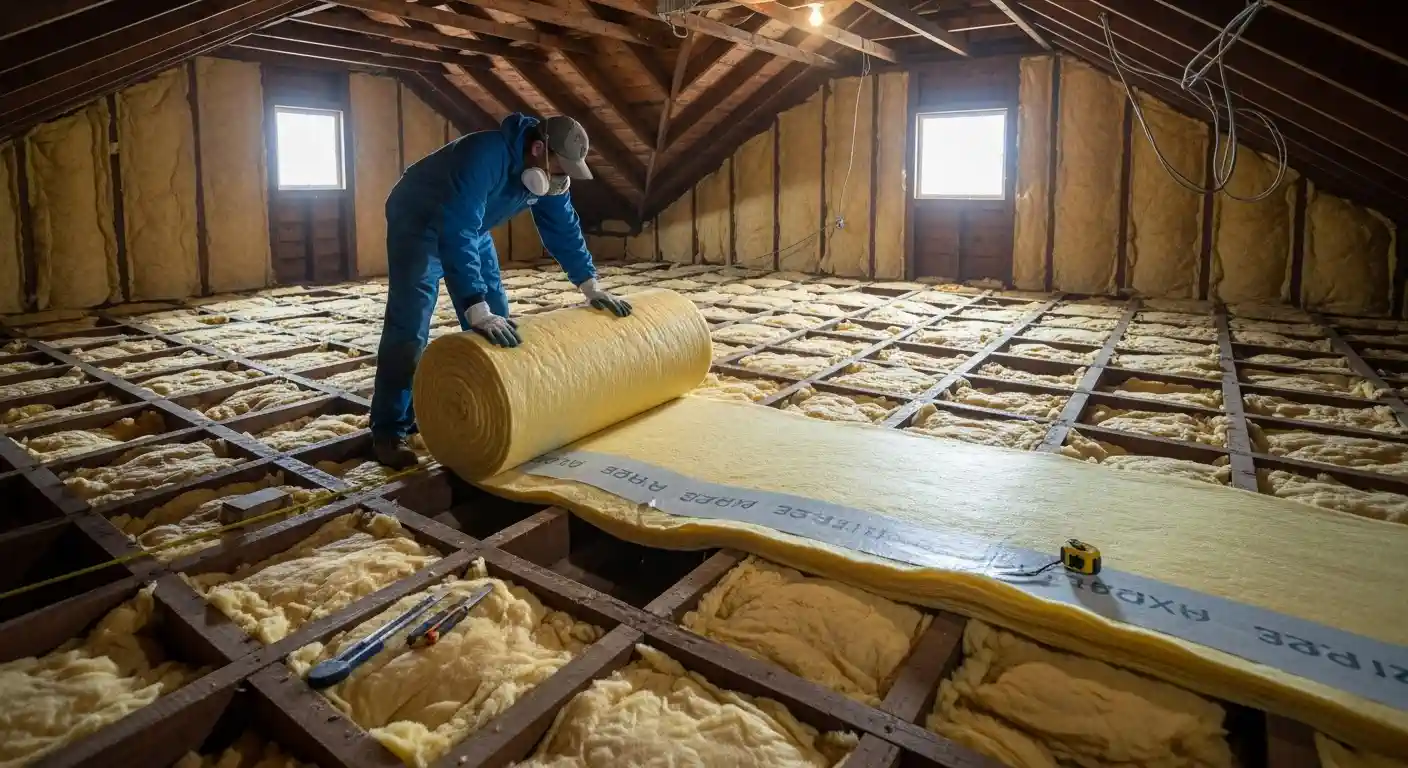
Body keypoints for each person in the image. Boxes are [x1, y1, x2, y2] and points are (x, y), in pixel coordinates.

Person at [370, 112, 633, 469]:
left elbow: (564, 228)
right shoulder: (483, 155)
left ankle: (485, 406)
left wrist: (590, 286)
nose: (563, 177)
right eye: (561, 167)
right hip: (419, 223)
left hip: (471, 229)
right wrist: (472, 306)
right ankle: (390, 429)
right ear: (539, 149)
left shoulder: (546, 178)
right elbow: (455, 229)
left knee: (498, 319)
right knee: (409, 325)